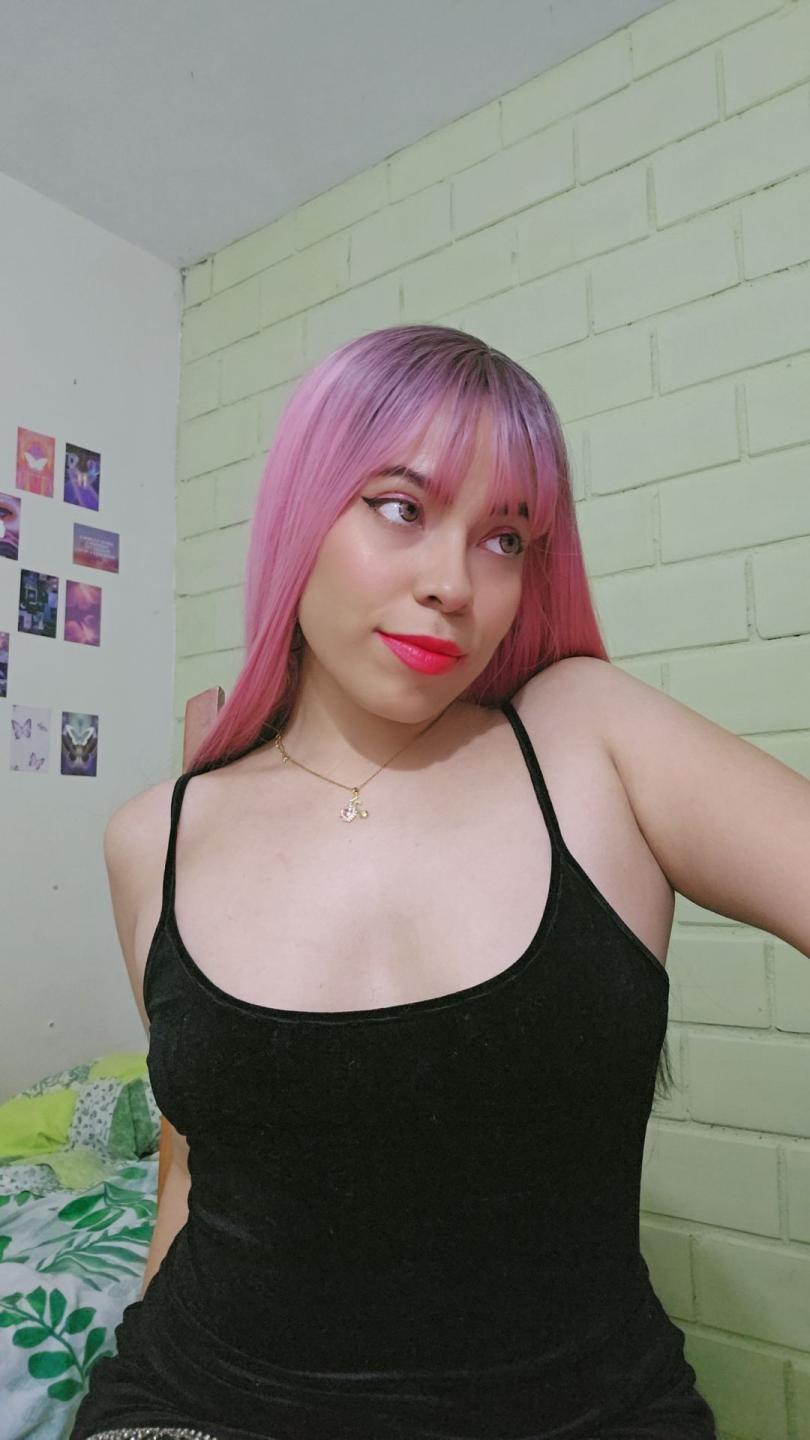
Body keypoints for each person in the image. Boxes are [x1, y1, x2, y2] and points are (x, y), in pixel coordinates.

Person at [70, 325, 718, 1439]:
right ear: (302, 510)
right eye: (402, 508)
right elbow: (191, 1172)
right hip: (197, 1401)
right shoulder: (151, 838)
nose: (455, 584)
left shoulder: (590, 740)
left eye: (505, 539)